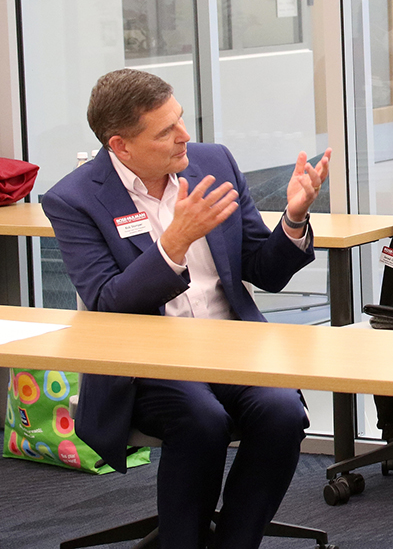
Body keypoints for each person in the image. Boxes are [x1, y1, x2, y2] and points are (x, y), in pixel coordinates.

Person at [42, 69, 332, 549]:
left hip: (231, 347)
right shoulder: (74, 200)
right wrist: (173, 244)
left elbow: (264, 269)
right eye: (165, 132)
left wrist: (294, 218)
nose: (185, 137)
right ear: (121, 146)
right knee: (202, 419)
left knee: (282, 412)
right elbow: (107, 302)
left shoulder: (212, 162)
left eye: (179, 119)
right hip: (148, 365)